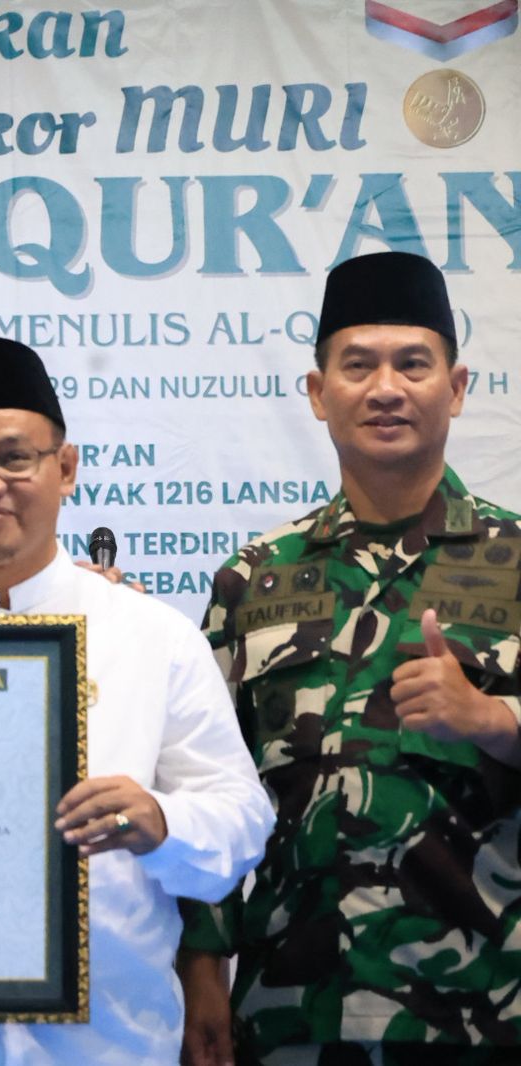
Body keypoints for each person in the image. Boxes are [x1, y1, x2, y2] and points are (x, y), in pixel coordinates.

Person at [0, 335, 273, 1065]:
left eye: (15, 457)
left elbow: (240, 825)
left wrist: (161, 820)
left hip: (109, 1045)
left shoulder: (152, 637)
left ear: (65, 468)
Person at [178, 251, 521, 1064]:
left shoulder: (516, 562)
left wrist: (493, 721)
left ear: (457, 387)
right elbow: (206, 788)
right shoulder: (253, 579)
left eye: (413, 365)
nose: (386, 388)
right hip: (291, 1013)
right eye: (358, 365)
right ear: (317, 392)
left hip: (485, 1011)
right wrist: (200, 972)